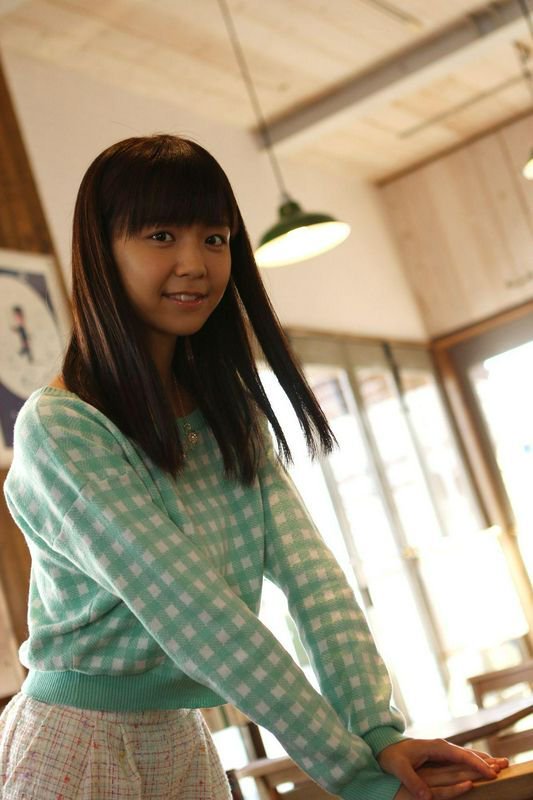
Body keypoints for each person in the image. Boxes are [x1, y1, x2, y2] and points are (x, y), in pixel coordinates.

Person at [0, 135, 507, 800]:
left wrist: (378, 733)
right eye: (161, 236)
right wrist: (353, 771)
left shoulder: (228, 412)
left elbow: (312, 580)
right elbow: (200, 617)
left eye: (215, 238)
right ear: (102, 250)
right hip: (77, 746)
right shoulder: (62, 428)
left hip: (182, 738)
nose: (195, 264)